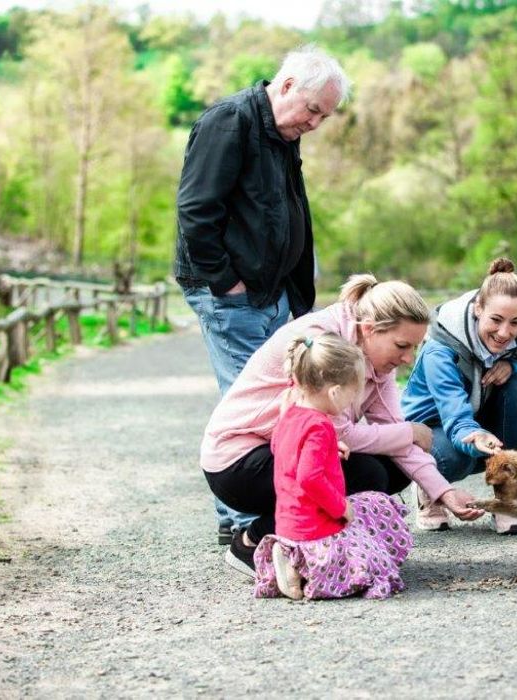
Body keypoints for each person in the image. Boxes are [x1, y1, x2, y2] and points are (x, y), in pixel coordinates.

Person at [173, 45, 351, 542]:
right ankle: (243, 526)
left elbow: (291, 214)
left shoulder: (281, 132)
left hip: (270, 292)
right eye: (313, 109)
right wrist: (226, 281)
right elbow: (195, 210)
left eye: (325, 116)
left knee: (277, 398)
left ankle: (262, 518)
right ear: (288, 85)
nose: (315, 122)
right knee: (253, 406)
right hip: (232, 294)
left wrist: (297, 293)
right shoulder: (230, 122)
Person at [201, 275, 483, 578]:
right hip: (239, 463)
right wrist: (410, 433)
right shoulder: (327, 343)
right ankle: (253, 541)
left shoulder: (376, 360)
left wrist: (444, 492)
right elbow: (337, 432)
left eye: (414, 347)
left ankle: (318, 542)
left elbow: (393, 433)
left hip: (286, 454)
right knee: (364, 471)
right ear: (370, 329)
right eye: (402, 345)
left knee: (391, 467)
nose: (407, 358)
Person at [252, 334, 413, 600]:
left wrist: (329, 447)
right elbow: (309, 478)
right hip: (317, 530)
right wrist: (340, 506)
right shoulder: (321, 425)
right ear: (335, 391)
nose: (351, 402)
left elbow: (281, 449)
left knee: (371, 505)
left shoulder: (290, 412)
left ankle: (291, 556)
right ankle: (301, 566)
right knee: (371, 551)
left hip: (290, 526)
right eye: (352, 395)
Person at [401, 258, 517, 534]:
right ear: (478, 308)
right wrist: (477, 437)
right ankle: (429, 485)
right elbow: (455, 418)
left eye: (515, 322)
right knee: (458, 458)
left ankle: (509, 499)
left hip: (480, 419)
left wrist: (512, 367)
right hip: (435, 428)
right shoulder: (441, 350)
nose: (505, 333)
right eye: (496, 320)